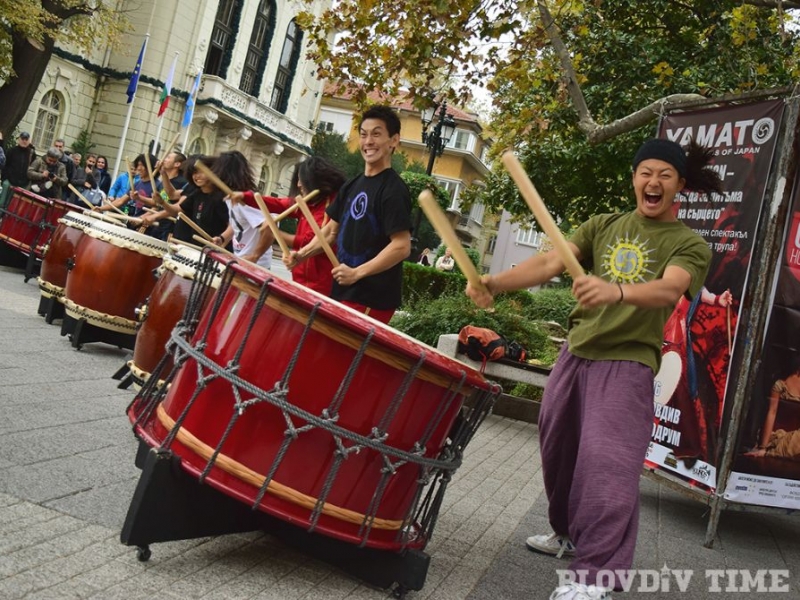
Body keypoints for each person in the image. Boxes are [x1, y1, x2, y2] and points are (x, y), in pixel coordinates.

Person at [466, 138, 723, 600]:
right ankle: (565, 532)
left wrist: (617, 293)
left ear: (680, 185)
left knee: (607, 466)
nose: (654, 182)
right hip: (576, 353)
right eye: (646, 172)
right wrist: (493, 283)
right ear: (633, 178)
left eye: (665, 175)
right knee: (558, 452)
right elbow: (548, 260)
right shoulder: (603, 225)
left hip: (627, 363)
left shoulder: (689, 244)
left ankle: (595, 576)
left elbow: (669, 290)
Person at [284, 105, 412, 323]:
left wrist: (357, 273)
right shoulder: (352, 185)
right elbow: (330, 232)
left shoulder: (394, 189)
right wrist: (302, 254)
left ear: (394, 141)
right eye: (364, 135)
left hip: (372, 298)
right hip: (344, 291)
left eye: (377, 134)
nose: (368, 141)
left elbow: (401, 246)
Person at [230, 156, 347, 293]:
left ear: (313, 181)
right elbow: (279, 204)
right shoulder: (308, 202)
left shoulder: (331, 206)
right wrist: (246, 197)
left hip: (321, 283)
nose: (298, 185)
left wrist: (275, 233)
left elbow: (313, 241)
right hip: (301, 278)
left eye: (301, 180)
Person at [210, 151, 275, 268]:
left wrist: (255, 256)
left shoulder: (245, 201)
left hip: (255, 267)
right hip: (240, 261)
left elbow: (270, 228)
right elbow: (238, 224)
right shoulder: (232, 197)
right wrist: (222, 238)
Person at [150, 155, 229, 244]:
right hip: (190, 245)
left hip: (211, 250)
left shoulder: (222, 197)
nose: (197, 176)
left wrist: (222, 239)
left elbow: (232, 225)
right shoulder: (196, 193)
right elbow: (176, 209)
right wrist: (162, 202)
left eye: (201, 172)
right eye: (194, 173)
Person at [746, 358, 800, 458]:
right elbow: (772, 412)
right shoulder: (781, 384)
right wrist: (763, 446)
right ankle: (769, 452)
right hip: (779, 436)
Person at [97, 153, 160, 218]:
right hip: (135, 220)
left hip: (147, 224)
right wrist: (101, 208)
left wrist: (142, 217)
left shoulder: (159, 185)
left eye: (142, 165)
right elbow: (121, 201)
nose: (138, 168)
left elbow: (159, 206)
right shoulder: (137, 184)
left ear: (150, 166)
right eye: (138, 165)